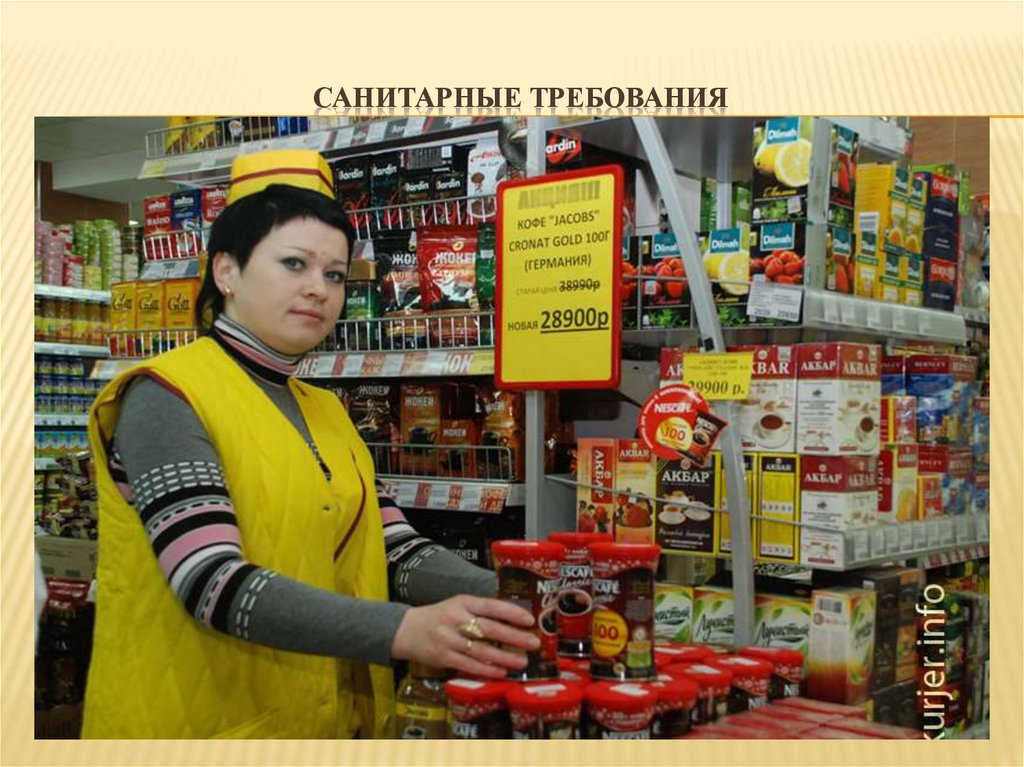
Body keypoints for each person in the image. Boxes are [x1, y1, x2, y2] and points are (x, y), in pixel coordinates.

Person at [82, 149, 538, 739]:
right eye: (293, 263)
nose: (318, 289)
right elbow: (210, 579)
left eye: (334, 275)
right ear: (226, 272)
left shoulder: (326, 410)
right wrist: (403, 630)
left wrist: (521, 596)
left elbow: (395, 552)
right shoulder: (166, 396)